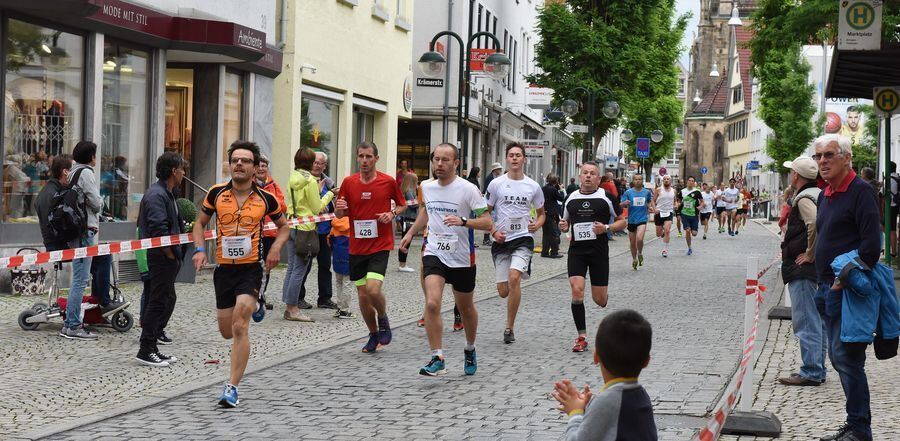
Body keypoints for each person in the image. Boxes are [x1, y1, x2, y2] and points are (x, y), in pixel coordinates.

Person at [192, 140, 289, 408]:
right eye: (235, 159)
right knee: (226, 330)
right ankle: (252, 305)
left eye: (245, 160)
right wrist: (200, 249)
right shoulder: (215, 193)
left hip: (250, 269)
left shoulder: (265, 198)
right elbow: (198, 224)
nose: (239, 164)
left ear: (255, 167)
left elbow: (284, 227)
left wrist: (276, 249)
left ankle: (232, 387)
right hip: (224, 270)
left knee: (239, 325)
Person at [399, 143, 493, 376]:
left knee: (466, 307)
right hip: (435, 252)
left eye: (445, 160)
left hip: (461, 256)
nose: (439, 164)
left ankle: (470, 348)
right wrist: (410, 233)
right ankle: (437, 356)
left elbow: (488, 223)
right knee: (432, 303)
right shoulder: (427, 187)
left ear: (456, 163)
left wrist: (464, 221)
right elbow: (426, 210)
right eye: (436, 159)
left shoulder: (468, 189)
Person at [812, 134, 881, 441]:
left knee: (848, 359)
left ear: (846, 158)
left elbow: (870, 247)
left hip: (846, 292)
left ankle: (860, 429)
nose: (823, 161)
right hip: (824, 289)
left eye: (829, 155)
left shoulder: (860, 191)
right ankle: (854, 425)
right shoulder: (825, 193)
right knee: (839, 359)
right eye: (819, 156)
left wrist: (841, 282)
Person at [335, 141, 407, 353]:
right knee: (363, 296)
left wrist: (392, 213)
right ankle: (373, 334)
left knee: (373, 289)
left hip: (380, 244)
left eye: (368, 157)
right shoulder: (349, 182)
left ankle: (383, 319)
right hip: (357, 246)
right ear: (357, 158)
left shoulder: (387, 181)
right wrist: (339, 209)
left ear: (376, 158)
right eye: (361, 156)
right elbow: (340, 213)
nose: (364, 161)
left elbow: (402, 204)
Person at [551, 309, 656, 440]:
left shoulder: (608, 401)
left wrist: (575, 413)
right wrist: (590, 408)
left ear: (596, 357)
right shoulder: (640, 395)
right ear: (646, 361)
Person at [559, 162, 625, 352]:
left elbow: (622, 222)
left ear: (598, 178)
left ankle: (603, 295)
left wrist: (606, 228)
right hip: (577, 252)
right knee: (577, 290)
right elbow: (565, 223)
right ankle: (581, 336)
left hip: (598, 253)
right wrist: (563, 227)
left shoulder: (607, 197)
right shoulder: (571, 198)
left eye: (592, 173)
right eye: (585, 173)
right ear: (580, 176)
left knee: (600, 300)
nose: (588, 176)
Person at [485, 142, 545, 344]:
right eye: (511, 155)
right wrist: (493, 231)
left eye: (518, 155)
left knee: (514, 278)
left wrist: (537, 224)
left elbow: (542, 214)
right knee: (503, 291)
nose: (514, 158)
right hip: (502, 239)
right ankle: (510, 307)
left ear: (524, 159)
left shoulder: (533, 186)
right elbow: (484, 212)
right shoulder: (496, 184)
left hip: (523, 238)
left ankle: (509, 327)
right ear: (506, 159)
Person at [777, 155, 826, 387]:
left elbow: (814, 223)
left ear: (796, 175)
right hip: (815, 268)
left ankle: (811, 370)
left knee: (806, 319)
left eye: (791, 172)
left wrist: (809, 253)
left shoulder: (805, 197)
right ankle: (818, 367)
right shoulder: (819, 193)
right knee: (817, 321)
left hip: (803, 269)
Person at [135, 152, 187, 367]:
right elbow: (159, 230)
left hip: (168, 256)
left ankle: (153, 346)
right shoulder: (157, 194)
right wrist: (169, 254)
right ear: (174, 171)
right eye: (182, 169)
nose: (184, 173)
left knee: (164, 299)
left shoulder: (169, 193)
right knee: (157, 301)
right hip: (160, 256)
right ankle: (145, 348)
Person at [282, 148, 336, 321]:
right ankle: (293, 309)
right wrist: (329, 194)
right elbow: (316, 208)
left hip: (292, 224)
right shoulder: (311, 181)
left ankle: (288, 305)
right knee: (299, 269)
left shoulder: (293, 176)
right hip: (305, 228)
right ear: (310, 162)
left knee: (291, 268)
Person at [59, 141, 106, 340]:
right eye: (95, 154)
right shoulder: (86, 173)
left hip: (76, 231)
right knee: (80, 279)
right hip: (85, 231)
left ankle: (70, 324)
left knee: (78, 278)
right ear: (91, 156)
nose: (97, 157)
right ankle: (73, 325)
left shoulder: (72, 172)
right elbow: (95, 202)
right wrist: (102, 201)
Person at [298, 152, 339, 310]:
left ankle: (325, 298)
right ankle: (299, 297)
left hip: (325, 230)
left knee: (325, 266)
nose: (316, 165)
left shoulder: (329, 183)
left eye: (320, 163)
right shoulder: (303, 181)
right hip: (308, 230)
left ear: (324, 166)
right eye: (314, 162)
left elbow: (333, 204)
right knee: (304, 266)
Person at [255, 155, 286, 310]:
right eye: (259, 166)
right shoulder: (250, 185)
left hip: (270, 233)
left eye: (264, 166)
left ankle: (262, 295)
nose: (261, 169)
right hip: (254, 233)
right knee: (254, 266)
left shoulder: (273, 184)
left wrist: (270, 202)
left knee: (267, 267)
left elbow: (282, 205)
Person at [35, 154, 73, 252]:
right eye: (73, 169)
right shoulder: (55, 193)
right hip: (59, 245)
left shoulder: (52, 190)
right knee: (102, 258)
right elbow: (56, 224)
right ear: (65, 171)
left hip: (55, 243)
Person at [620, 174, 653, 270]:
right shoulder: (628, 192)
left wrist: (649, 207)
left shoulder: (646, 192)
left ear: (642, 181)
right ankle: (634, 259)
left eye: (640, 179)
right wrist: (624, 203)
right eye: (636, 179)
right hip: (631, 220)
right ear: (633, 181)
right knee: (632, 242)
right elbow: (621, 205)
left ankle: (640, 253)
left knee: (639, 239)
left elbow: (649, 202)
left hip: (642, 219)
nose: (638, 181)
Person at [329, 215, 356, 319]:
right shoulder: (352, 224)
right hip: (349, 256)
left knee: (339, 283)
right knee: (347, 283)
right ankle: (345, 310)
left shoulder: (334, 224)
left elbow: (329, 240)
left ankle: (339, 308)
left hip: (337, 256)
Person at [397, 172, 419, 273]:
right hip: (408, 217)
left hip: (405, 217)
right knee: (406, 241)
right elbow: (414, 204)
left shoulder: (404, 190)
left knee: (404, 239)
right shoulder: (410, 191)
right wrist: (421, 201)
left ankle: (402, 263)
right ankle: (402, 264)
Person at [677, 176, 704, 256]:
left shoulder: (697, 191)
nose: (691, 182)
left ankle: (693, 230)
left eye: (692, 181)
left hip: (694, 215)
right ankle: (689, 248)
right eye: (689, 180)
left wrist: (700, 206)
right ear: (687, 181)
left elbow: (702, 202)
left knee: (694, 233)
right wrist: (678, 213)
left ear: (694, 182)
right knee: (687, 230)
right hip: (684, 214)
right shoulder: (682, 191)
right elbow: (678, 202)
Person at [541, 174, 565, 258]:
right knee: (554, 233)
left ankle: (545, 251)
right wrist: (561, 190)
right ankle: (554, 252)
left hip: (544, 212)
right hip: (552, 213)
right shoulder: (553, 190)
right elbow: (561, 198)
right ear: (556, 181)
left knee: (546, 233)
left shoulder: (543, 188)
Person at [653, 175, 676, 258]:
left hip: (669, 212)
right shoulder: (659, 190)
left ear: (670, 181)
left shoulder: (674, 190)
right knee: (658, 234)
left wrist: (675, 205)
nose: (666, 180)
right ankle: (662, 233)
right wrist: (655, 209)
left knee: (667, 230)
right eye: (665, 179)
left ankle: (665, 249)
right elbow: (653, 200)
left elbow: (675, 200)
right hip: (659, 212)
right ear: (663, 181)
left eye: (668, 179)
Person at [482, 162, 503, 246]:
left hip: (493, 203)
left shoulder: (494, 177)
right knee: (489, 220)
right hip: (490, 203)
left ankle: (487, 237)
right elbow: (488, 192)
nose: (500, 170)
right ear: (496, 170)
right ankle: (486, 238)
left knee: (491, 220)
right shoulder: (490, 178)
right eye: (499, 169)